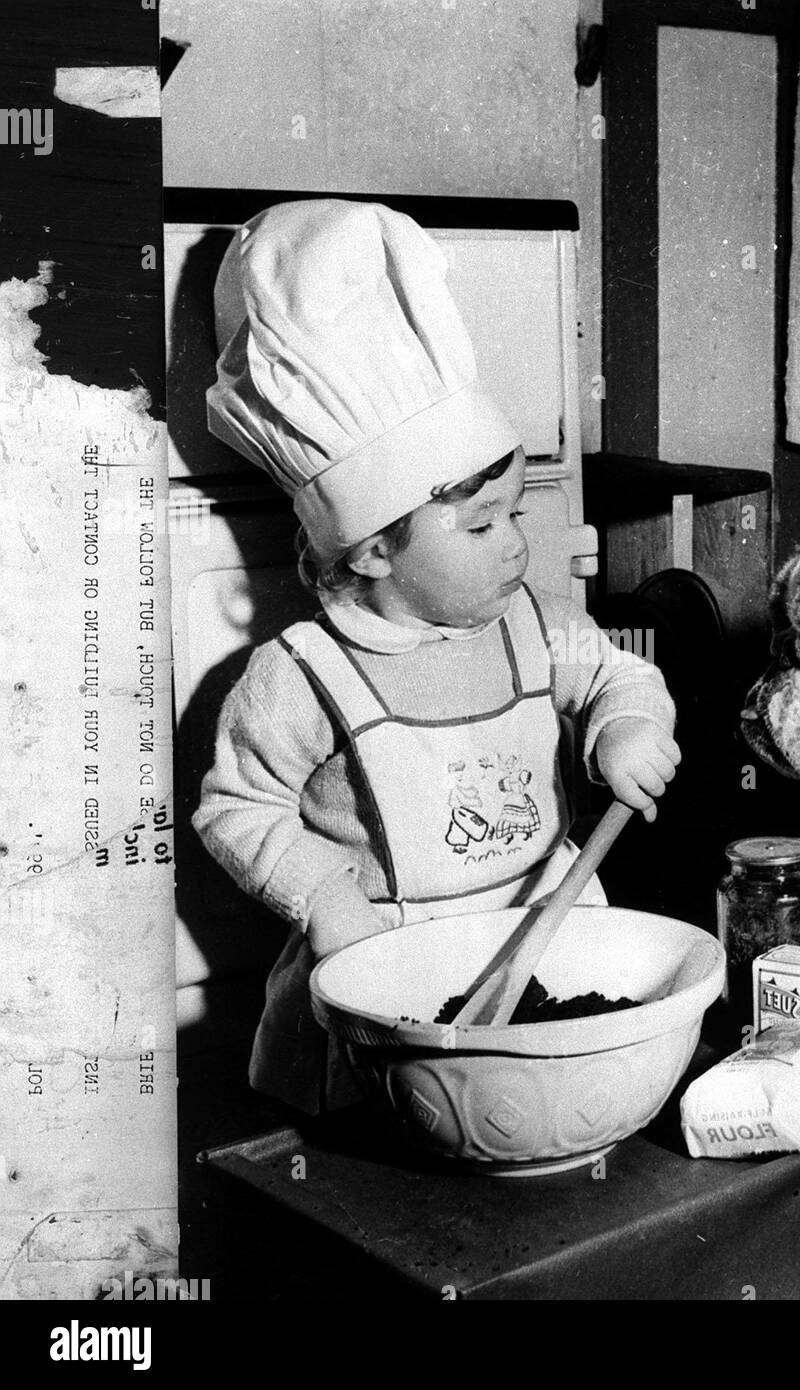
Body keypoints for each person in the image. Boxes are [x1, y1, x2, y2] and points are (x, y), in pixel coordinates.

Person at [193, 201, 679, 1113]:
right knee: (389, 1155)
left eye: (516, 515)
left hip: (550, 928)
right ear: (374, 549)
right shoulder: (299, 674)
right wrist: (326, 901)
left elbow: (620, 674)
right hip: (383, 979)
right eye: (481, 523)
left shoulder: (536, 621)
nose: (513, 546)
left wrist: (626, 725)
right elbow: (235, 810)